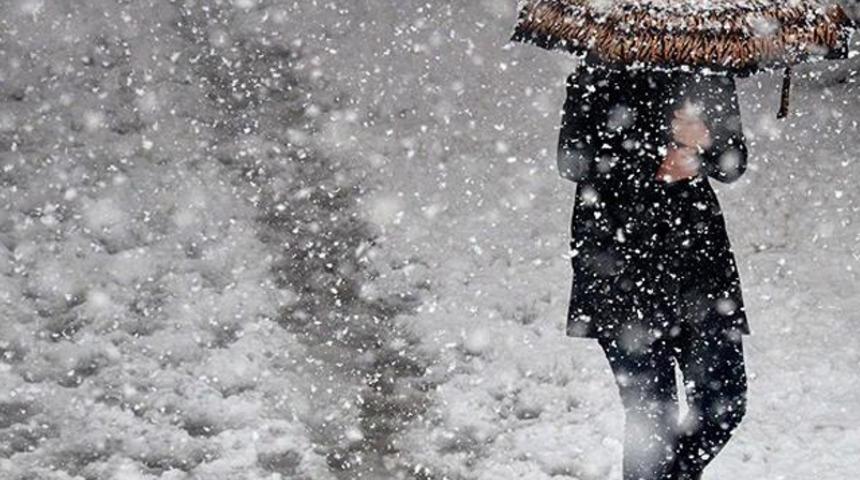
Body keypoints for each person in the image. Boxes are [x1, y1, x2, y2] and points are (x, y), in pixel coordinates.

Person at [558, 53, 750, 480]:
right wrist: (656, 154)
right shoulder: (600, 67)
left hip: (698, 264)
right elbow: (572, 159)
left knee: (726, 400)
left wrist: (703, 147)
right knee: (652, 417)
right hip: (619, 265)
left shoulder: (706, 63)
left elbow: (734, 159)